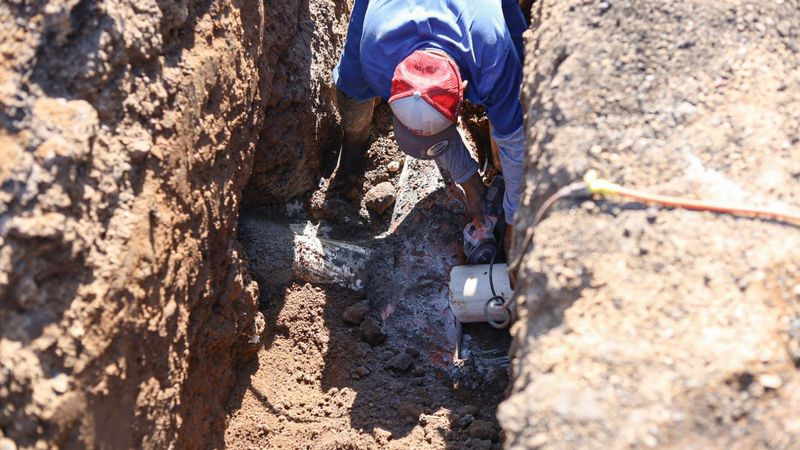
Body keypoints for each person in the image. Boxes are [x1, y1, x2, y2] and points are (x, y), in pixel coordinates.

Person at [332, 0, 526, 258]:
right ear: (392, 93)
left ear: (464, 89)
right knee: (352, 84)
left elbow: (515, 141)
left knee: (523, 80)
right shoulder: (376, 59)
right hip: (390, 14)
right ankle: (351, 155)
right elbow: (432, 137)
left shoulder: (491, 57)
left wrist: (516, 223)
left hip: (477, 20)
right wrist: (470, 183)